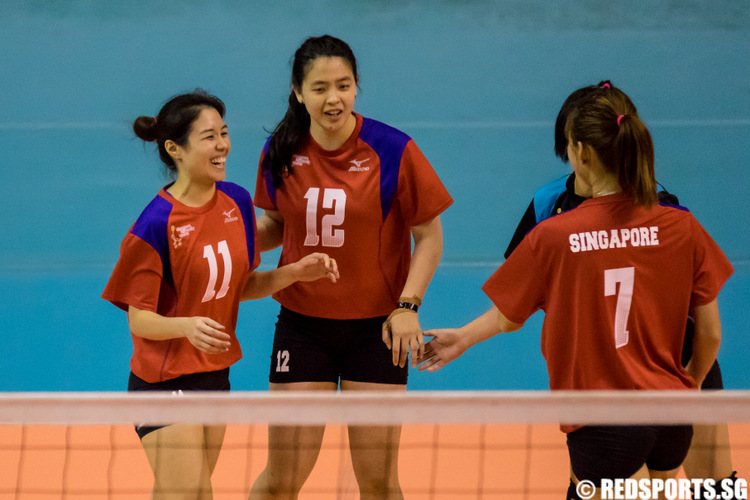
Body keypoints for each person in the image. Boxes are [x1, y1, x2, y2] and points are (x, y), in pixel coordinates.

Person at [417, 85, 733, 497]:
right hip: (655, 385)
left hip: (662, 365)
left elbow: (512, 308)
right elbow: (526, 297)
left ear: (581, 149)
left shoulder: (641, 212)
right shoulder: (565, 206)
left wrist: (693, 380)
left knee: (719, 487)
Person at [102, 90, 338, 500]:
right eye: (209, 137)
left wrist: (293, 273)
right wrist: (187, 326)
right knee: (191, 493)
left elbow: (237, 288)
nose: (223, 145)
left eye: (224, 134)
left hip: (214, 376)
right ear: (175, 149)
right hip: (162, 382)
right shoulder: (155, 226)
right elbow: (140, 320)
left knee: (192, 493)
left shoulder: (236, 202)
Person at [504, 81, 738, 492]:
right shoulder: (548, 204)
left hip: (677, 360)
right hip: (604, 376)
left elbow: (698, 310)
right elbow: (522, 283)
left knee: (716, 486)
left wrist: (692, 378)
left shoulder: (662, 206)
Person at [249, 35, 453, 500]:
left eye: (343, 85)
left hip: (377, 333)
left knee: (379, 484)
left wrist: (408, 305)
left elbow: (429, 238)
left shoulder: (393, 150)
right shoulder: (280, 150)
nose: (333, 98)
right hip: (303, 329)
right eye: (319, 88)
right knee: (280, 482)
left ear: (357, 86)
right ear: (299, 92)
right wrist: (225, 243)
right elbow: (277, 225)